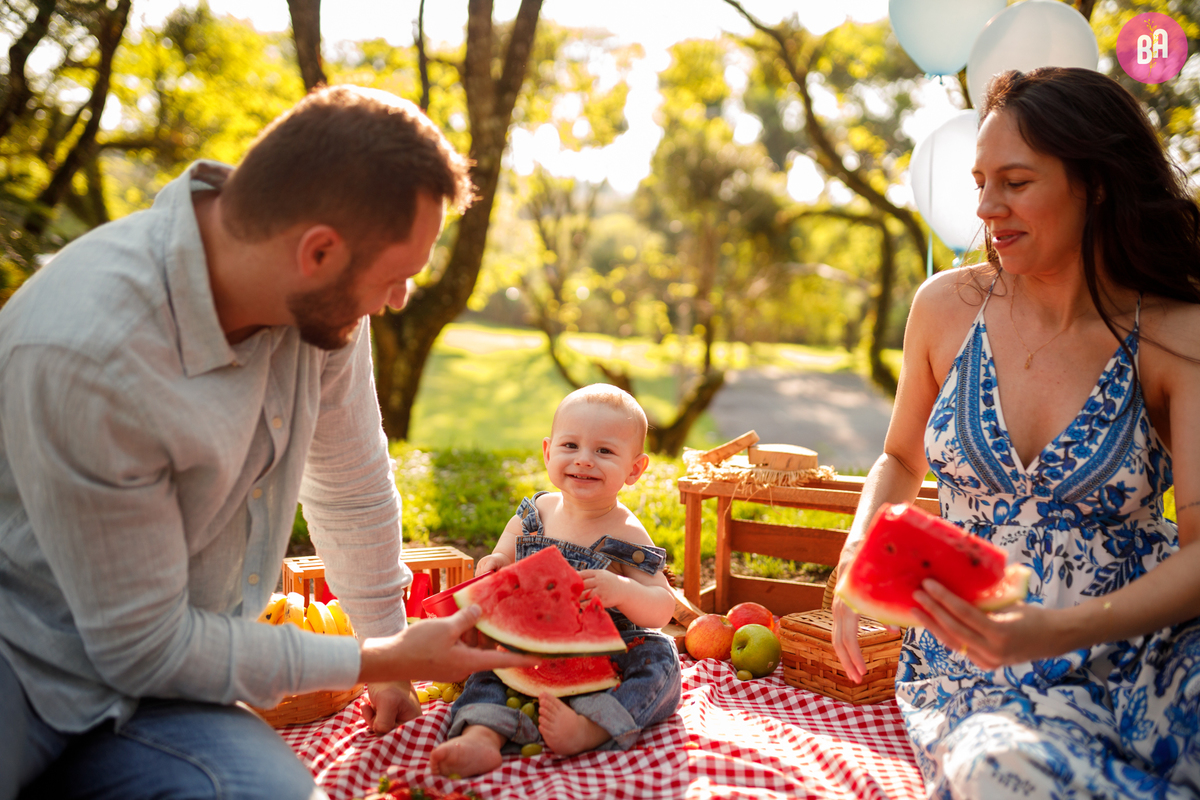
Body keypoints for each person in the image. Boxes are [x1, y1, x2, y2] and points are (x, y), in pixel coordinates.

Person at [0, 85, 537, 800]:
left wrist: (392, 655)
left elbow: (348, 482)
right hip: (24, 666)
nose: (398, 299)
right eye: (396, 278)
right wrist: (372, 660)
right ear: (318, 251)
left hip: (161, 692)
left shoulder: (322, 304)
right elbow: (143, 647)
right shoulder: (91, 354)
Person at [831, 66, 1200, 798]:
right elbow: (899, 457)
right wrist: (856, 554)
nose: (986, 207)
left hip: (1148, 646)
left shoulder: (1175, 335)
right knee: (996, 767)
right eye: (980, 182)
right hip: (976, 657)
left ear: (1095, 183)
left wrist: (1058, 630)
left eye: (1016, 182)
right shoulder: (945, 308)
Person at [429, 384, 682, 778]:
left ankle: (592, 727)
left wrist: (623, 590)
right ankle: (481, 735)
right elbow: (501, 557)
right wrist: (493, 564)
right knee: (489, 667)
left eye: (604, 451)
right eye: (570, 445)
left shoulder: (628, 532)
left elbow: (662, 607)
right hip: (529, 640)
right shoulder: (536, 512)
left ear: (634, 469)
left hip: (608, 650)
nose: (583, 460)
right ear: (548, 452)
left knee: (660, 659)